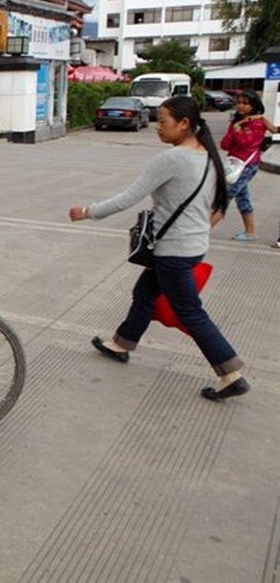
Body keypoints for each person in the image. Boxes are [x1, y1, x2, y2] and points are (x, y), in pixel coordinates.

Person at [68, 96, 249, 401]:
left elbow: (129, 196)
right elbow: (218, 207)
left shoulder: (172, 159)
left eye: (163, 121)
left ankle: (231, 372)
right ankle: (122, 343)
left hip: (173, 251)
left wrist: (88, 211)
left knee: (190, 312)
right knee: (145, 294)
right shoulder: (208, 157)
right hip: (191, 246)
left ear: (184, 124)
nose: (157, 127)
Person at [215, 91, 268, 241]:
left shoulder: (257, 123)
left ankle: (203, 230)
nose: (241, 106)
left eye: (245, 103)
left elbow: (246, 144)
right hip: (234, 164)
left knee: (224, 197)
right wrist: (236, 128)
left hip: (246, 165)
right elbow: (225, 144)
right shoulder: (236, 122)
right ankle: (250, 232)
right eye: (238, 103)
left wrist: (237, 130)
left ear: (254, 105)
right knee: (242, 198)